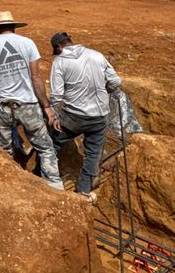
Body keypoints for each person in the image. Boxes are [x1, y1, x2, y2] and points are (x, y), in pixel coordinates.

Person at [0, 10, 64, 191]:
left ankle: (6, 188)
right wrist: (47, 106)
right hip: (28, 105)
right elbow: (36, 77)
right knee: (45, 148)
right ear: (13, 26)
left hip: (4, 105)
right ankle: (56, 188)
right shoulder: (27, 44)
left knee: (2, 149)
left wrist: (5, 87)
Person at [48, 32, 122, 200]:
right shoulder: (97, 55)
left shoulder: (60, 62)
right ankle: (84, 191)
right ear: (70, 42)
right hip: (100, 116)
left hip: (73, 117)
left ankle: (43, 178)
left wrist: (55, 115)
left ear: (58, 47)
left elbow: (57, 95)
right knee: (93, 154)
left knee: (52, 144)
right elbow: (116, 82)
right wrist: (106, 91)